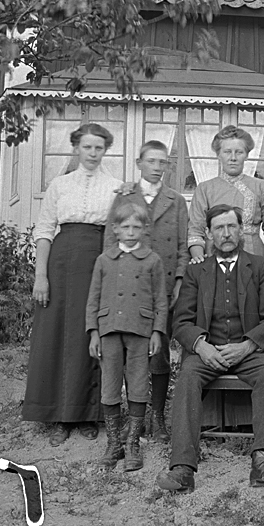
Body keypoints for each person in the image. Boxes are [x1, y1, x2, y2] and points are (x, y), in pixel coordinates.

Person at [157, 205, 264, 492]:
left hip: (249, 351)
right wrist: (201, 346)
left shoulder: (260, 267)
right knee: (188, 376)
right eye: (219, 228)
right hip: (208, 351)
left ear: (241, 230)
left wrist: (247, 346)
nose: (226, 233)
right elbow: (181, 322)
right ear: (208, 233)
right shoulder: (196, 271)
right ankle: (182, 468)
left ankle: (262, 460)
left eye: (231, 227)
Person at [23, 123, 123, 446]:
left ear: (105, 150)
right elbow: (44, 230)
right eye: (87, 147)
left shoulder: (116, 188)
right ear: (76, 148)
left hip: (97, 262)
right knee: (56, 336)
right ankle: (58, 416)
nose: (92, 153)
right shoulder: (60, 185)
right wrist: (41, 276)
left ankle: (88, 414)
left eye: (99, 148)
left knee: (89, 333)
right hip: (61, 265)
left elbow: (120, 234)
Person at [104, 139, 188, 442]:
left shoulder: (176, 200)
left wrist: (179, 280)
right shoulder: (125, 196)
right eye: (151, 161)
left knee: (159, 350)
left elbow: (183, 246)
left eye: (162, 162)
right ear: (139, 163)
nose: (156, 167)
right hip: (129, 288)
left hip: (162, 287)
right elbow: (110, 244)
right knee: (130, 351)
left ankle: (158, 416)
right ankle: (132, 418)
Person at [86, 201, 168, 471]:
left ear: (145, 229)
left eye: (136, 227)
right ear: (115, 229)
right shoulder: (104, 260)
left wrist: (156, 332)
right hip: (109, 329)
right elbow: (93, 299)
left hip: (140, 330)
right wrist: (94, 332)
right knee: (110, 386)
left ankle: (132, 443)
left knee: (138, 384)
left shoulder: (153, 260)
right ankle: (114, 444)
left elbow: (160, 300)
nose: (131, 232)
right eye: (125, 227)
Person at [188, 125, 264, 260]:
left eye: (239, 152)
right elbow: (195, 232)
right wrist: (200, 261)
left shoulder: (261, 187)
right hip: (215, 258)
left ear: (247, 155)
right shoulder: (204, 189)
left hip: (254, 258)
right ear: (218, 155)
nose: (233, 158)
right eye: (227, 152)